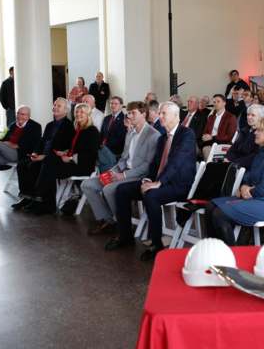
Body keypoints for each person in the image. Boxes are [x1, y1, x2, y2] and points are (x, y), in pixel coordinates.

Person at [107, 102, 197, 261]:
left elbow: (176, 162)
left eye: (164, 114)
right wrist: (149, 179)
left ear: (176, 116)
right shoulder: (163, 137)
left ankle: (156, 244)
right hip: (160, 181)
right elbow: (156, 163)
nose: (159, 116)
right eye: (160, 113)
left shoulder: (186, 134)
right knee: (121, 190)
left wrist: (159, 182)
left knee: (151, 195)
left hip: (179, 185)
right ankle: (125, 236)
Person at [206, 118, 264, 246]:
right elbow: (249, 177)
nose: (255, 132)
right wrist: (244, 186)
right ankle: (215, 249)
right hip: (256, 198)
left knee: (219, 214)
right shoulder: (262, 152)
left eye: (259, 130)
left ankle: (231, 254)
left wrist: (247, 191)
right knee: (210, 206)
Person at [82, 101, 161, 235]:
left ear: (143, 114)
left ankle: (122, 225)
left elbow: (147, 166)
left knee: (109, 189)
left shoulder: (153, 135)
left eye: (133, 113)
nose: (129, 116)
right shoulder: (130, 133)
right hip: (122, 172)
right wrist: (113, 171)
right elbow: (124, 159)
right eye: (128, 113)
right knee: (87, 184)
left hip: (138, 176)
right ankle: (108, 220)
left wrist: (123, 176)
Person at [24, 103, 100, 214]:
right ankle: (43, 201)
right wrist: (65, 152)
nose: (78, 114)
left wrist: (70, 158)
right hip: (73, 163)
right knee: (48, 161)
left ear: (88, 115)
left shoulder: (92, 131)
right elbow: (74, 148)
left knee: (49, 166)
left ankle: (42, 201)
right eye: (77, 112)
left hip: (83, 166)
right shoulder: (77, 129)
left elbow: (91, 154)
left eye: (82, 112)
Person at [12, 98, 75, 209]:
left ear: (66, 110)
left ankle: (42, 202)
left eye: (58, 106)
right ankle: (26, 197)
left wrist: (44, 156)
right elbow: (41, 142)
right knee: (22, 164)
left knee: (38, 165)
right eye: (54, 104)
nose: (55, 107)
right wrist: (35, 152)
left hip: (55, 158)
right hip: (43, 155)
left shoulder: (69, 126)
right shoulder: (50, 125)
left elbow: (66, 148)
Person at [225, 104, 264, 169]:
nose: (249, 117)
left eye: (253, 115)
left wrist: (234, 162)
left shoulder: (262, 134)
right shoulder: (244, 130)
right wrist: (228, 159)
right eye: (248, 115)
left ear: (261, 117)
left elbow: (254, 156)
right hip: (234, 165)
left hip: (247, 168)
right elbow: (233, 148)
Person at [97, 96, 127, 172]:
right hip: (102, 148)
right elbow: (101, 134)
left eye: (116, 104)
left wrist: (105, 147)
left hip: (114, 151)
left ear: (121, 105)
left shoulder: (125, 119)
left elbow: (121, 138)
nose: (113, 105)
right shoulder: (106, 118)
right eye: (111, 103)